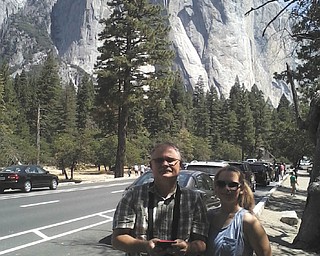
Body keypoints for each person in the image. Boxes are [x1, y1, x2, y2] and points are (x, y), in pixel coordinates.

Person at [112, 142, 208, 256]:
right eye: (159, 160)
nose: (165, 164)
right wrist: (145, 246)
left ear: (180, 165)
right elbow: (117, 239)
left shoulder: (193, 199)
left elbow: (202, 243)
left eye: (170, 160)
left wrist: (188, 247)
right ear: (151, 165)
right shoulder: (133, 196)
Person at [206, 166, 271, 256]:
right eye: (221, 184)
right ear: (216, 188)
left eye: (232, 185)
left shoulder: (249, 222)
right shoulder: (208, 216)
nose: (226, 189)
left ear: (241, 189)